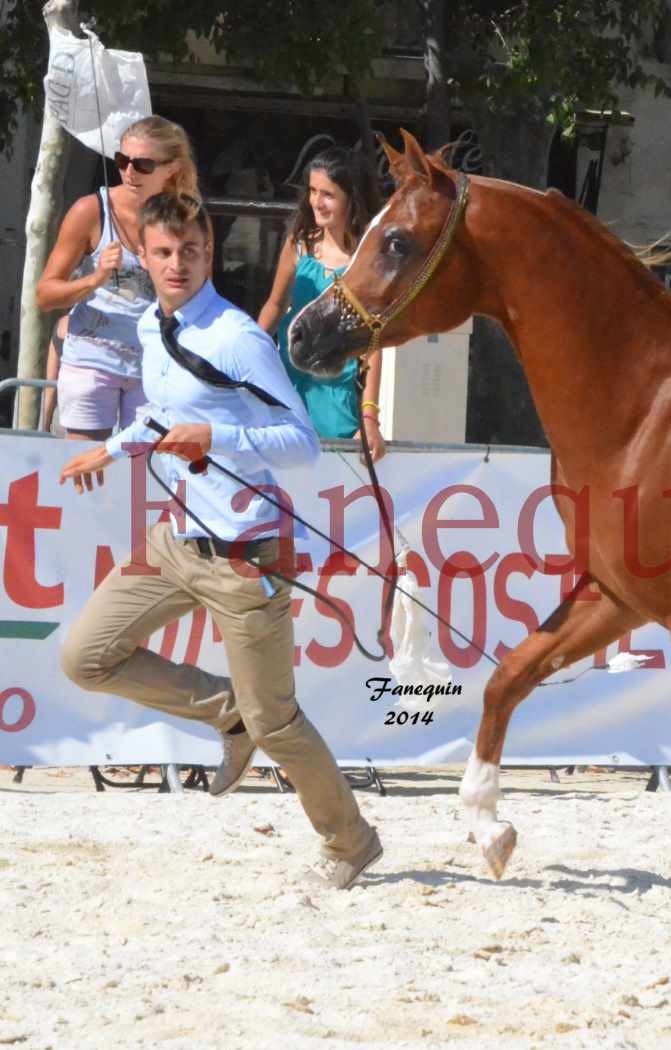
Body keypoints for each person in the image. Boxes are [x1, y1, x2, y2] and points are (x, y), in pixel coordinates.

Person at [57, 192, 382, 889]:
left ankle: (350, 840)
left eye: (192, 252)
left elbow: (302, 447)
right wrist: (109, 452)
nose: (178, 265)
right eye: (165, 253)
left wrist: (220, 435)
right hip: (173, 542)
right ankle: (228, 713)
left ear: (210, 253)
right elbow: (161, 416)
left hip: (245, 557)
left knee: (281, 724)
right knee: (85, 657)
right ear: (144, 257)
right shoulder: (149, 326)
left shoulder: (238, 338)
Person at [35, 115, 200, 440]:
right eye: (122, 161)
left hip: (153, 364)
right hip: (92, 361)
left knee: (145, 476)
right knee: (85, 474)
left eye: (143, 165)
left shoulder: (186, 218)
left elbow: (198, 296)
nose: (128, 172)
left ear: (172, 169)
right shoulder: (90, 211)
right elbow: (44, 295)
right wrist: (93, 280)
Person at [257, 146, 387, 462]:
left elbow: (373, 343)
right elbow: (275, 305)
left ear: (350, 199)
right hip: (288, 387)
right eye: (313, 191)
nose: (316, 201)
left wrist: (369, 417)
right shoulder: (299, 241)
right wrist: (247, 353)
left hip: (338, 396)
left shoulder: (366, 257)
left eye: (327, 194)